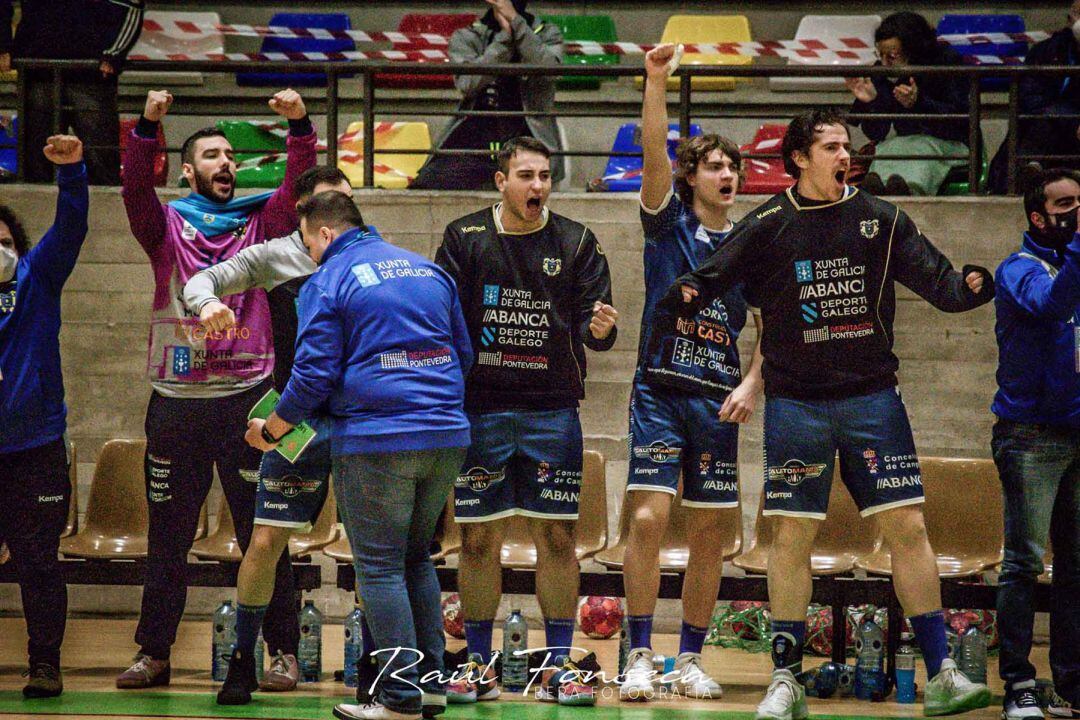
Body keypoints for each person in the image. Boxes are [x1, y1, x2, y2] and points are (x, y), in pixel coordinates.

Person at [668, 109, 995, 720]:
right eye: (830, 146)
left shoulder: (881, 218)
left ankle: (944, 672)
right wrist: (684, 295)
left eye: (846, 145)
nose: (844, 154)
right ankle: (786, 680)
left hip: (873, 400)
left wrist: (973, 287)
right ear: (799, 158)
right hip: (795, 406)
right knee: (790, 534)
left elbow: (942, 285)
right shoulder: (768, 223)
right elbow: (711, 276)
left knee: (910, 529)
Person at [243, 191, 473, 720]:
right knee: (416, 557)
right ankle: (430, 687)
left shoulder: (327, 279)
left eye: (306, 242)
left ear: (324, 233)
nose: (308, 253)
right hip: (445, 435)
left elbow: (313, 373)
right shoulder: (426, 270)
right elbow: (463, 354)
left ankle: (397, 698)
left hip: (377, 440)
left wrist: (275, 430)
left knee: (380, 566)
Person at [115, 88, 317, 689]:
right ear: (187, 169)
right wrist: (148, 125)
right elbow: (132, 189)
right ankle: (154, 652)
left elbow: (298, 185)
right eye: (211, 155)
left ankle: (281, 651)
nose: (225, 163)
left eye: (231, 156)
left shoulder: (264, 223)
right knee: (168, 537)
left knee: (265, 531)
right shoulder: (165, 228)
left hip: (249, 401)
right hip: (175, 404)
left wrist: (300, 125)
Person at [434, 135, 617, 707]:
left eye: (544, 176)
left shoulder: (578, 241)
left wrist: (600, 329)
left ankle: (560, 665)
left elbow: (595, 325)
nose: (538, 186)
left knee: (558, 537)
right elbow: (441, 319)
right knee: (479, 539)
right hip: (480, 411)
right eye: (526, 176)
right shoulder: (463, 238)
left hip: (552, 412)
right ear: (501, 181)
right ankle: (480, 663)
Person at [619, 44, 763, 703]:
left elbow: (771, 326)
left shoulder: (751, 240)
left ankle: (690, 658)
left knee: (711, 532)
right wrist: (655, 81)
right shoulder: (666, 222)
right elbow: (654, 148)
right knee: (648, 521)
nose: (727, 174)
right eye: (714, 165)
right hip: (659, 390)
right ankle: (640, 653)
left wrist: (753, 382)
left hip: (717, 400)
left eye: (733, 165)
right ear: (692, 177)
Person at [181, 166, 352, 704]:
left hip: (358, 421)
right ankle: (243, 659)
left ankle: (377, 663)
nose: (340, 217)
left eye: (347, 205)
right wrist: (208, 304)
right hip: (294, 420)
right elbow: (201, 279)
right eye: (328, 205)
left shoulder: (370, 260)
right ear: (304, 215)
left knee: (375, 551)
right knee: (262, 541)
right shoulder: (273, 256)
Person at [0, 134, 88, 699]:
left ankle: (44, 664)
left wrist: (72, 172)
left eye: (5, 241)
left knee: (39, 564)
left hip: (36, 450)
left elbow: (73, 227)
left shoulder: (38, 278)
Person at [991, 167, 1080, 720]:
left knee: (1076, 565)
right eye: (1066, 204)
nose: (1076, 210)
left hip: (1078, 432)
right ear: (1038, 216)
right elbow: (1049, 305)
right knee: (1023, 562)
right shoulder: (1018, 269)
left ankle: (1071, 683)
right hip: (1030, 437)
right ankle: (1019, 683)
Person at [410, 0, 564, 190]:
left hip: (527, 133)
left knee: (526, 184)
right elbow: (467, 84)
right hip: (476, 133)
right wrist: (506, 38)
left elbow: (549, 70)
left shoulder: (548, 33)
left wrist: (517, 24)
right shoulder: (467, 36)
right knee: (428, 183)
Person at [0, 0, 144, 185]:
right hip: (37, 66)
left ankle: (104, 211)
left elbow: (132, 7)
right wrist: (3, 44)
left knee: (101, 161)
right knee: (35, 161)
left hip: (89, 72)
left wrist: (114, 52)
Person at [845, 12, 971, 196]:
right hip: (900, 143)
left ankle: (908, 192)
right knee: (888, 148)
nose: (884, 61)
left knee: (917, 149)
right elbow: (876, 133)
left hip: (947, 144)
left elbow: (958, 121)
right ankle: (877, 192)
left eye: (893, 55)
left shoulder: (947, 62)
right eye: (880, 54)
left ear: (912, 49)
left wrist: (919, 103)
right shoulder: (880, 71)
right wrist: (873, 102)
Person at [989, 1, 1080, 194]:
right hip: (1051, 131)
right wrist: (1073, 123)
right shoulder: (1046, 52)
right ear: (1070, 19)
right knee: (1045, 121)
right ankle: (1030, 172)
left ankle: (1033, 167)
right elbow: (1030, 99)